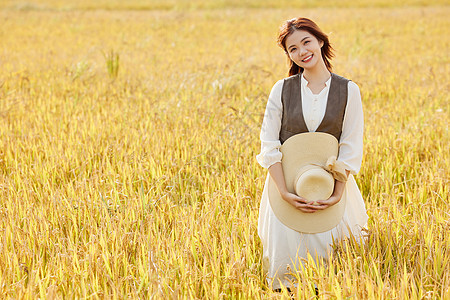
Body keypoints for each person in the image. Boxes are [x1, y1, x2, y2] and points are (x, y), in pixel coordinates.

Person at [256, 17, 369, 291]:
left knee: (334, 272)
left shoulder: (348, 90)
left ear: (320, 41)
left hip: (332, 187)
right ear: (289, 55)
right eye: (292, 48)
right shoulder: (281, 90)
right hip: (286, 185)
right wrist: (284, 192)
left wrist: (337, 194)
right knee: (287, 274)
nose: (301, 51)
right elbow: (268, 143)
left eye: (306, 42)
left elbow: (351, 145)